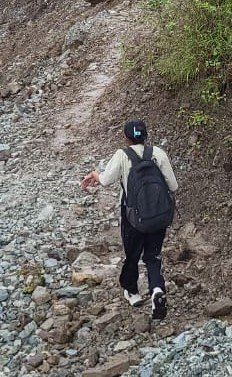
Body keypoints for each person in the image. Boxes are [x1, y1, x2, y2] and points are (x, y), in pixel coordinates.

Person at [80, 119, 179, 319]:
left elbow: (106, 180)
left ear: (126, 137)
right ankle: (157, 289)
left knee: (132, 255)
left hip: (133, 216)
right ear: (146, 135)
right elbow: (173, 186)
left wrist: (94, 175)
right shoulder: (158, 153)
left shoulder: (122, 155)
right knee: (153, 256)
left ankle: (132, 292)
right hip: (158, 215)